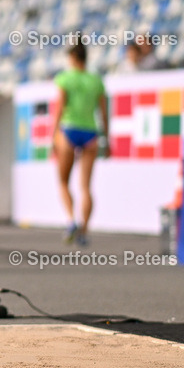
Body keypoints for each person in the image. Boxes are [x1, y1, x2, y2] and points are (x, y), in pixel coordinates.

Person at [53, 43, 108, 247]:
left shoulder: (65, 78)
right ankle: (84, 230)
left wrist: (53, 135)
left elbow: (60, 107)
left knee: (63, 181)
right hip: (90, 132)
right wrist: (107, 138)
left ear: (73, 57)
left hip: (69, 129)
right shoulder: (95, 80)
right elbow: (103, 112)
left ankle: (71, 220)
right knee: (86, 186)